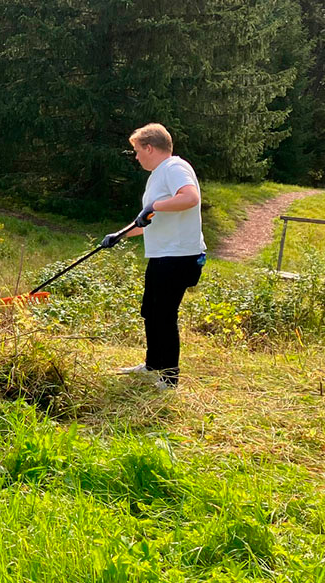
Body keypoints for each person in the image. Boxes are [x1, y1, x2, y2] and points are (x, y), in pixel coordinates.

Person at [100, 123, 206, 390]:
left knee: (165, 316)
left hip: (179, 257)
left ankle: (169, 380)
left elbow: (190, 198)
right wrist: (120, 235)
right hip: (162, 256)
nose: (136, 157)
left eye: (137, 151)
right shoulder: (159, 175)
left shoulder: (175, 168)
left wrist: (154, 206)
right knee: (152, 313)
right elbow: (150, 220)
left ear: (149, 147)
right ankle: (152, 365)